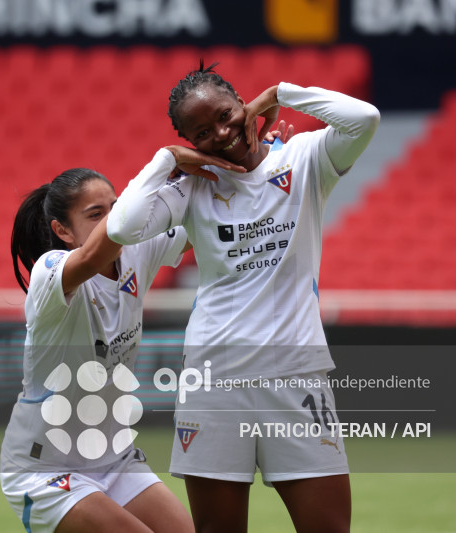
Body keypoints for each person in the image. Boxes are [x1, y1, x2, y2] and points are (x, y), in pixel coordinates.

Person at [107, 63, 380, 533]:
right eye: (202, 132)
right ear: (193, 142)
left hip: (297, 378)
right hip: (213, 381)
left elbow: (365, 118)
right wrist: (169, 158)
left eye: (226, 113)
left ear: (243, 102)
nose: (222, 131)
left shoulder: (303, 159)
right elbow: (120, 226)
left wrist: (280, 92)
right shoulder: (192, 188)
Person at [0, 143, 267, 533]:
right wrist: (165, 162)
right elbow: (94, 254)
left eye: (116, 205)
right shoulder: (50, 273)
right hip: (45, 470)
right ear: (62, 231)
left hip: (113, 458)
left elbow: (203, 218)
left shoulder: (137, 250)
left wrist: (247, 163)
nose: (114, 218)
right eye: (96, 214)